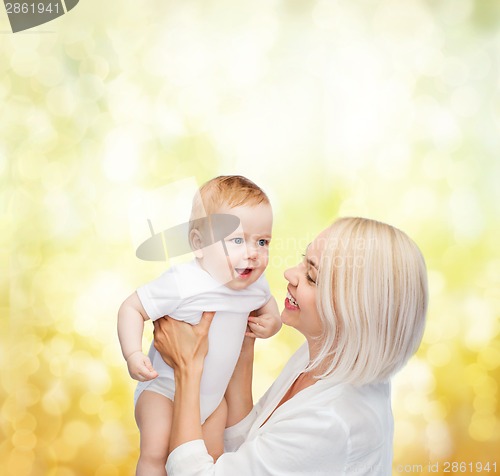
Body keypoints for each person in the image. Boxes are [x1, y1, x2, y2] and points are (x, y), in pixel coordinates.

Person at [152, 216, 429, 475]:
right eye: (302, 261)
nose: (289, 274)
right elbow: (249, 446)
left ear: (355, 312)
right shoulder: (326, 356)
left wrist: (187, 368)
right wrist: (243, 345)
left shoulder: (332, 422)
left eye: (312, 277)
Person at [117, 176, 282, 476]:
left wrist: (272, 324)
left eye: (262, 241)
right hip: (164, 391)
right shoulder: (183, 282)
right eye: (236, 240)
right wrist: (132, 354)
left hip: (213, 400)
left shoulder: (254, 285)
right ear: (199, 244)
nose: (252, 252)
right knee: (156, 453)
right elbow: (132, 307)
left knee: (212, 460)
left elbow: (269, 308)